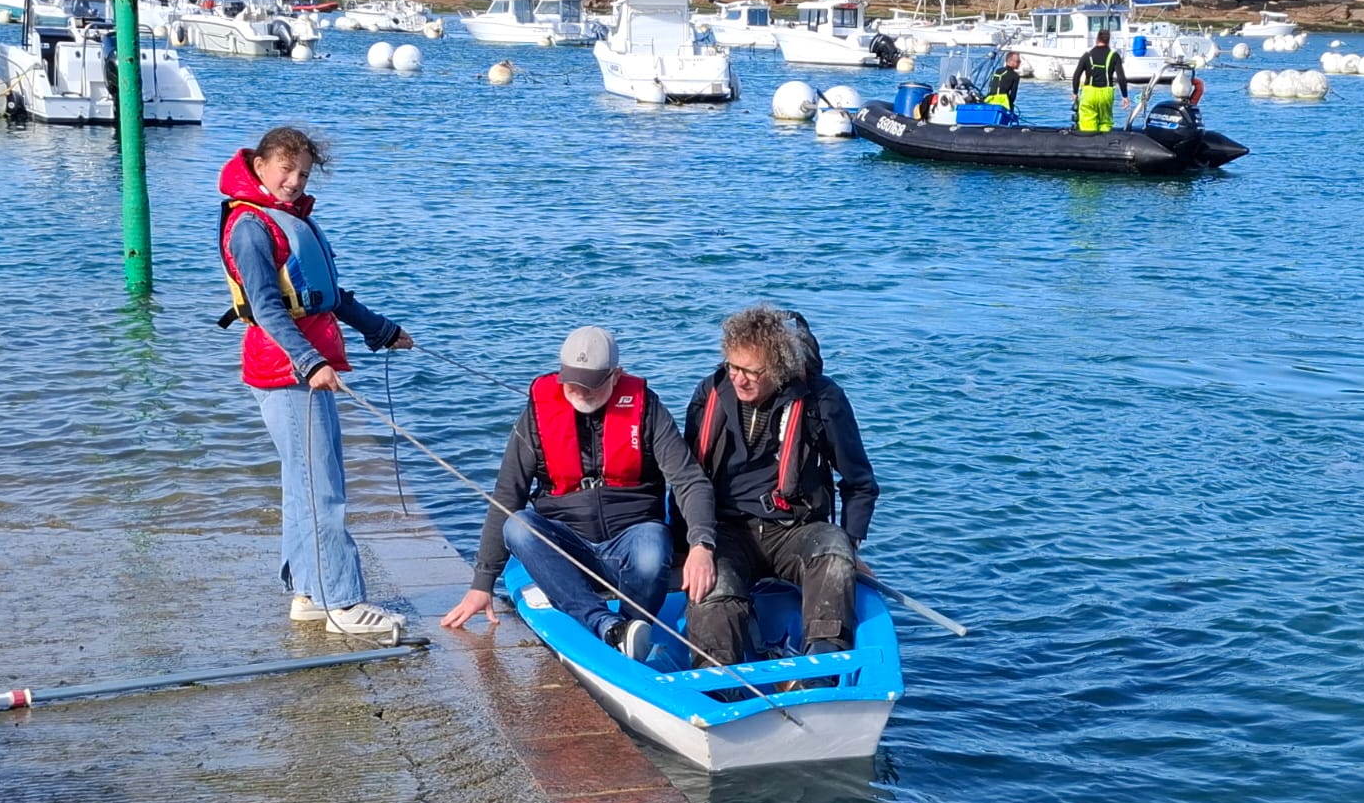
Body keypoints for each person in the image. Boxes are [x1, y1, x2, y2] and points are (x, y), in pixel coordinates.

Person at [218, 125, 414, 635]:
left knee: (301, 485)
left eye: (302, 173)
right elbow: (265, 307)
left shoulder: (292, 220)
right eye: (285, 169)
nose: (294, 181)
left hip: (302, 367)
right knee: (322, 488)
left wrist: (383, 330)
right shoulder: (250, 227)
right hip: (286, 371)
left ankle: (308, 594)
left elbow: (329, 295)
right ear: (259, 166)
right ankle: (343, 603)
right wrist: (309, 362)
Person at [440, 326, 718, 659]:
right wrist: (482, 583)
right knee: (519, 525)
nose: (581, 391)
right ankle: (607, 627)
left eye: (592, 383)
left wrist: (701, 544)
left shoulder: (647, 410)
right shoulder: (536, 417)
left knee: (654, 541)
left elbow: (689, 480)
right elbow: (507, 494)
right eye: (573, 382)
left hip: (630, 539)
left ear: (616, 375)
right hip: (569, 545)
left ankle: (634, 628)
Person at [681, 305, 878, 673]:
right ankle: (719, 683)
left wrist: (851, 543)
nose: (739, 380)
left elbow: (859, 483)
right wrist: (694, 545)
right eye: (733, 368)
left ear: (778, 368)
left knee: (833, 550)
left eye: (751, 372)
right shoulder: (709, 393)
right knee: (715, 590)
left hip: (796, 530)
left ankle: (821, 668)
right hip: (727, 531)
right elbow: (687, 479)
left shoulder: (824, 401)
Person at [1072, 28, 1129, 133]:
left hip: (1089, 93)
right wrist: (1124, 96)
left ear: (1097, 39)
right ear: (1108, 40)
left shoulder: (1087, 55)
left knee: (1087, 122)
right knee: (1105, 122)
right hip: (1106, 93)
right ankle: (1104, 143)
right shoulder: (1114, 56)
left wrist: (1075, 93)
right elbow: (1121, 77)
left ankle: (1088, 144)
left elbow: (1076, 75)